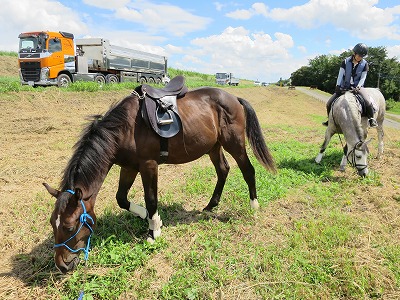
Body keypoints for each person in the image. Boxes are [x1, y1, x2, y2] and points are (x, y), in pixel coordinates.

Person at [322, 43, 378, 128]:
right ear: (354, 53)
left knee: (367, 101)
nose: (360, 58)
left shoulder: (365, 64)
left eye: (362, 56)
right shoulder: (345, 62)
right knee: (329, 103)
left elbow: (363, 78)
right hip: (344, 87)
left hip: (357, 87)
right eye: (359, 55)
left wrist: (358, 87)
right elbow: (340, 75)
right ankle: (330, 120)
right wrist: (337, 85)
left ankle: (371, 119)